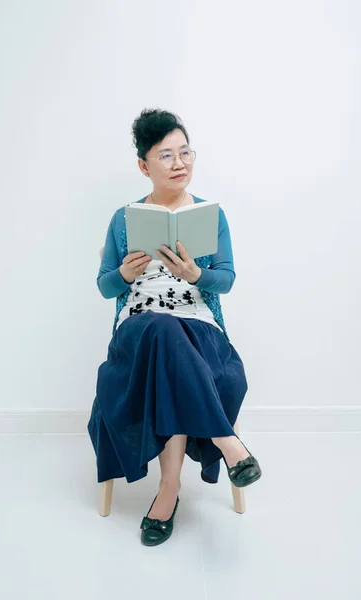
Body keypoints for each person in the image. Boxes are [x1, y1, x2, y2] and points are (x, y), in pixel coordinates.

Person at [87, 108, 262, 547]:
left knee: (172, 336)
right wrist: (125, 275)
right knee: (161, 329)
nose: (180, 162)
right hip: (138, 331)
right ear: (144, 166)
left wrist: (196, 275)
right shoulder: (123, 219)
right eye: (166, 155)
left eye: (185, 152)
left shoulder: (209, 214)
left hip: (199, 328)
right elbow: (105, 286)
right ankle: (227, 441)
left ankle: (169, 489)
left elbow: (227, 278)